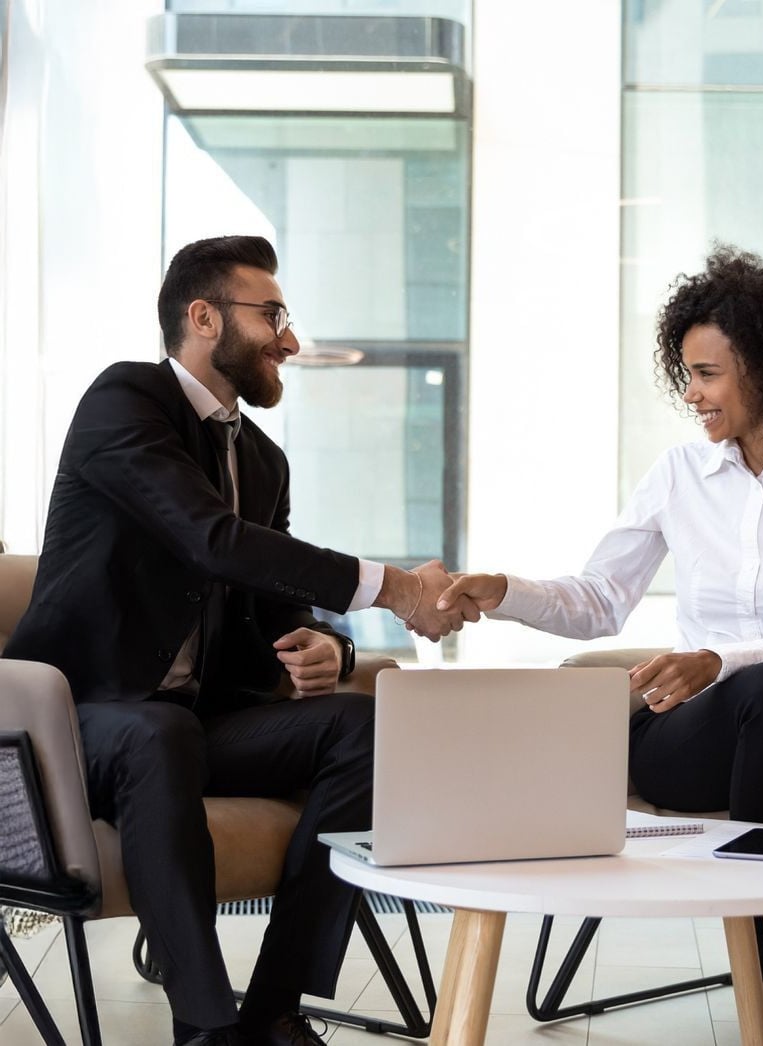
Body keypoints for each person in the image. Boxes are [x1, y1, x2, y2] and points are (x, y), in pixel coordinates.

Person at [4, 235, 476, 1046]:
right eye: (273, 316)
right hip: (79, 724)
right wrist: (394, 587)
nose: (289, 341)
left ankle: (273, 1008)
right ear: (203, 317)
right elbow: (209, 539)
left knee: (367, 727)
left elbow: (267, 602)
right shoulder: (125, 401)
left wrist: (324, 645)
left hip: (193, 725)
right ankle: (205, 1028)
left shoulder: (263, 461)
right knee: (160, 731)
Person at [437, 246, 763, 1039]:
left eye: (707, 373)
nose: (691, 393)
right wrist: (505, 592)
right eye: (689, 372)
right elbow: (602, 598)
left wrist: (720, 658)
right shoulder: (677, 474)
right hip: (685, 734)